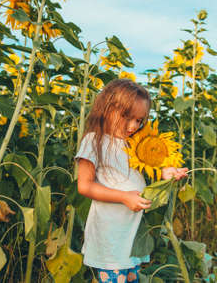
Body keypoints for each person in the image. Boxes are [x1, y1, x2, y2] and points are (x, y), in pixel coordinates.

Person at [75, 79, 187, 283]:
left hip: (131, 235)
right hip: (110, 237)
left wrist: (166, 173)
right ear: (106, 108)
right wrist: (123, 197)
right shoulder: (94, 141)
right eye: (126, 117)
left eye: (139, 120)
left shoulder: (133, 143)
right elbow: (84, 185)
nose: (133, 126)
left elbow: (147, 170)